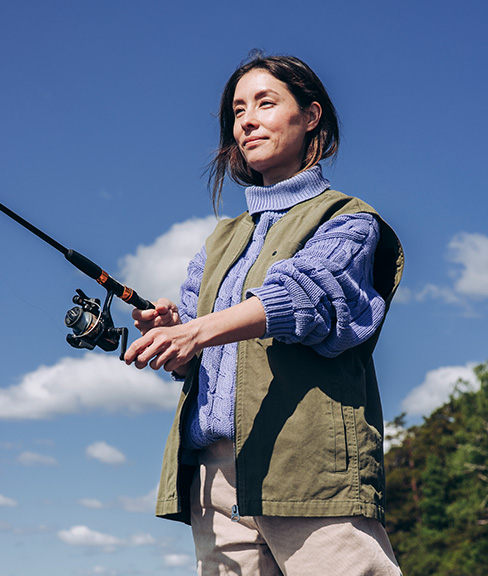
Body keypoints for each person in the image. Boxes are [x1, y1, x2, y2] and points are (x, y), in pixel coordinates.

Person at [124, 53, 404, 576]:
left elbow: (305, 298)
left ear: (311, 116)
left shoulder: (348, 219)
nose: (246, 120)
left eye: (265, 103)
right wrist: (172, 334)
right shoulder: (219, 240)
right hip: (215, 477)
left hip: (308, 467)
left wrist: (198, 330)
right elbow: (194, 358)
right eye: (237, 110)